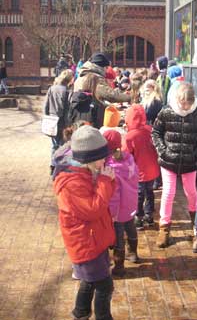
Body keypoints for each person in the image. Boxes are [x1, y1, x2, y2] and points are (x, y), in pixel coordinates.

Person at [53, 125, 116, 320]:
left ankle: (80, 314)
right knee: (105, 286)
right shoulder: (71, 182)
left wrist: (108, 181)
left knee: (89, 282)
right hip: (86, 243)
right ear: (86, 158)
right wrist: (105, 181)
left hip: (93, 239)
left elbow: (102, 200)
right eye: (100, 158)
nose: (104, 161)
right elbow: (92, 209)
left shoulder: (87, 171)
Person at [152, 82, 197, 248]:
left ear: (192, 101)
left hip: (189, 161)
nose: (185, 107)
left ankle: (196, 224)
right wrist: (162, 151)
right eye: (182, 103)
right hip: (169, 160)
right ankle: (164, 227)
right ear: (177, 99)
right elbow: (156, 132)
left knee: (191, 192)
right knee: (168, 192)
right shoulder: (167, 111)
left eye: (188, 103)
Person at [102, 130, 139, 277]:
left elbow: (113, 193)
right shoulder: (129, 159)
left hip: (116, 209)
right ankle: (134, 253)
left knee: (118, 236)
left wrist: (110, 211)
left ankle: (119, 266)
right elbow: (136, 177)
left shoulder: (108, 166)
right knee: (130, 228)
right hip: (130, 204)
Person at [123, 104, 160, 230]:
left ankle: (138, 217)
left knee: (138, 195)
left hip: (138, 172)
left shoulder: (130, 136)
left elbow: (125, 155)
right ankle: (149, 216)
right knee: (149, 192)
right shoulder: (150, 130)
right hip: (152, 170)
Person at [44, 69, 74, 174]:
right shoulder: (67, 91)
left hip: (52, 120)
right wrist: (69, 124)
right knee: (62, 145)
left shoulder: (51, 89)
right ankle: (59, 166)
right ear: (69, 80)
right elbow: (68, 109)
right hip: (62, 122)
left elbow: (46, 105)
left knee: (54, 145)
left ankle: (53, 165)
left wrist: (47, 116)